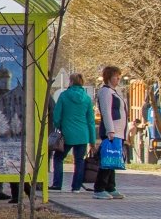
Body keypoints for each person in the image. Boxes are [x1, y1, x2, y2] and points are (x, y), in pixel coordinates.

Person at [51, 72, 96, 193]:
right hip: (83, 134)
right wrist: (92, 140)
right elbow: (91, 121)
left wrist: (59, 126)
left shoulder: (64, 96)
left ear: (70, 82)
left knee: (59, 158)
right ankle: (76, 187)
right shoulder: (86, 99)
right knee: (79, 160)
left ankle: (57, 184)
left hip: (67, 134)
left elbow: (56, 115)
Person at [94, 66, 128, 200]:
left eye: (119, 76)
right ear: (108, 77)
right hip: (112, 132)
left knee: (112, 159)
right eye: (115, 76)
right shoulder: (105, 92)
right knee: (107, 160)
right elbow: (106, 112)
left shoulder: (115, 92)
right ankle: (99, 188)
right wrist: (110, 130)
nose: (118, 78)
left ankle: (110, 187)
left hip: (118, 131)